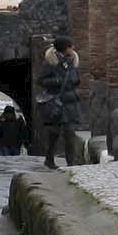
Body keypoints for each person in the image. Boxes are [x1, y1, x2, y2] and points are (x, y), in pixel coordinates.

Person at [35, 36, 82, 169]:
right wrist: (57, 81)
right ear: (64, 48)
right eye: (70, 46)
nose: (72, 48)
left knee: (70, 132)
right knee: (54, 133)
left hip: (70, 102)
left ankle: (71, 163)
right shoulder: (50, 63)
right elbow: (40, 81)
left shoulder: (72, 61)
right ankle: (49, 159)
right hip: (56, 102)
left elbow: (75, 77)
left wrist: (75, 81)